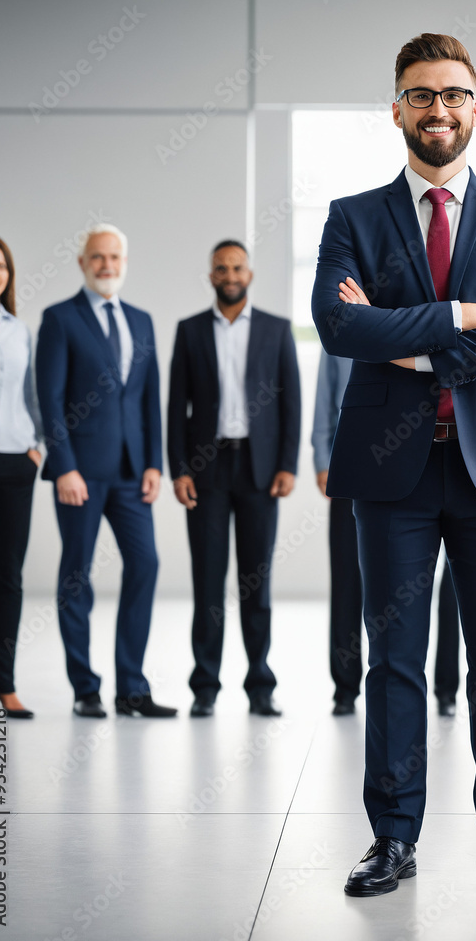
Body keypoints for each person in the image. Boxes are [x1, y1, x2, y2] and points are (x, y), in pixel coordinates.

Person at [312, 33, 476, 898]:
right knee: (395, 661)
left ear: (475, 109)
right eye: (421, 95)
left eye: (453, 94)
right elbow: (341, 328)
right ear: (396, 110)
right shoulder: (352, 216)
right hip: (392, 473)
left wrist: (412, 343)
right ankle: (392, 837)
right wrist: (460, 314)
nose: (439, 109)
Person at [36, 224, 175, 718]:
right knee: (77, 575)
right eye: (97, 257)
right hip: (80, 474)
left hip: (132, 472)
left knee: (146, 563)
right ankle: (84, 688)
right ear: (82, 264)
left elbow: (148, 400)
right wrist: (64, 467)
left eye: (114, 256)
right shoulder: (60, 319)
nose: (107, 265)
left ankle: (131, 687)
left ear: (124, 261)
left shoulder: (141, 321)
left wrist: (155, 463)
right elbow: (49, 400)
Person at [167, 240, 301, 718]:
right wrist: (178, 469)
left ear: (250, 273)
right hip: (206, 470)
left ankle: (260, 684)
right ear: (210, 276)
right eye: (220, 268)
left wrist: (288, 464)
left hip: (260, 471)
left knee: (255, 581)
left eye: (237, 267)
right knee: (207, 581)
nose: (229, 274)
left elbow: (291, 403)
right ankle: (205, 686)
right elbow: (175, 407)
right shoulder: (189, 332)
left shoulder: (276, 330)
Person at [312, 352, 461, 718]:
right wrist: (322, 459)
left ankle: (446, 688)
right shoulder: (348, 325)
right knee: (348, 578)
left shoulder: (422, 323)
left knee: (454, 583)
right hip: (352, 463)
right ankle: (345, 686)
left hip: (430, 459)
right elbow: (323, 398)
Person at [0, 233, 41, 718]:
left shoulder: (20, 330)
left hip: (16, 462)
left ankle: (5, 686)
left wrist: (38, 445)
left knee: (8, 578)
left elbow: (32, 393)